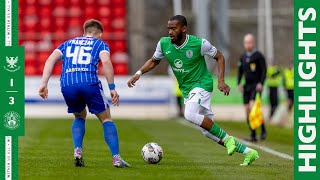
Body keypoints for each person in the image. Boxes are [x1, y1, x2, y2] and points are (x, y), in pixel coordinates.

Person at [127, 15, 259, 166]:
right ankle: (249, 152)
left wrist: (221, 80)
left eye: (173, 28)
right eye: (168, 28)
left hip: (202, 84)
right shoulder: (163, 44)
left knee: (189, 114)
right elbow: (154, 61)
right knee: (207, 131)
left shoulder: (199, 43)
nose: (170, 32)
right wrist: (138, 74)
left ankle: (229, 140)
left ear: (183, 29)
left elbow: (220, 57)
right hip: (187, 89)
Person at [38, 19, 130, 168]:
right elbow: (106, 62)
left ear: (84, 32)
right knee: (106, 119)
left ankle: (77, 151)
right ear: (100, 34)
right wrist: (112, 87)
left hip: (67, 83)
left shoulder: (67, 43)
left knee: (80, 116)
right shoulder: (100, 44)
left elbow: (50, 60)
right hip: (88, 81)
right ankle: (116, 158)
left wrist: (43, 83)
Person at [237, 33, 267, 142]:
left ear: (253, 43)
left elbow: (264, 70)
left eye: (249, 42)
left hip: (256, 86)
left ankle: (261, 130)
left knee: (252, 107)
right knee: (247, 111)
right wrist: (239, 83)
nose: (248, 44)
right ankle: (254, 134)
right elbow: (240, 71)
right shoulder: (243, 57)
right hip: (247, 86)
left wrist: (261, 83)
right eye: (246, 42)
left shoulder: (259, 56)